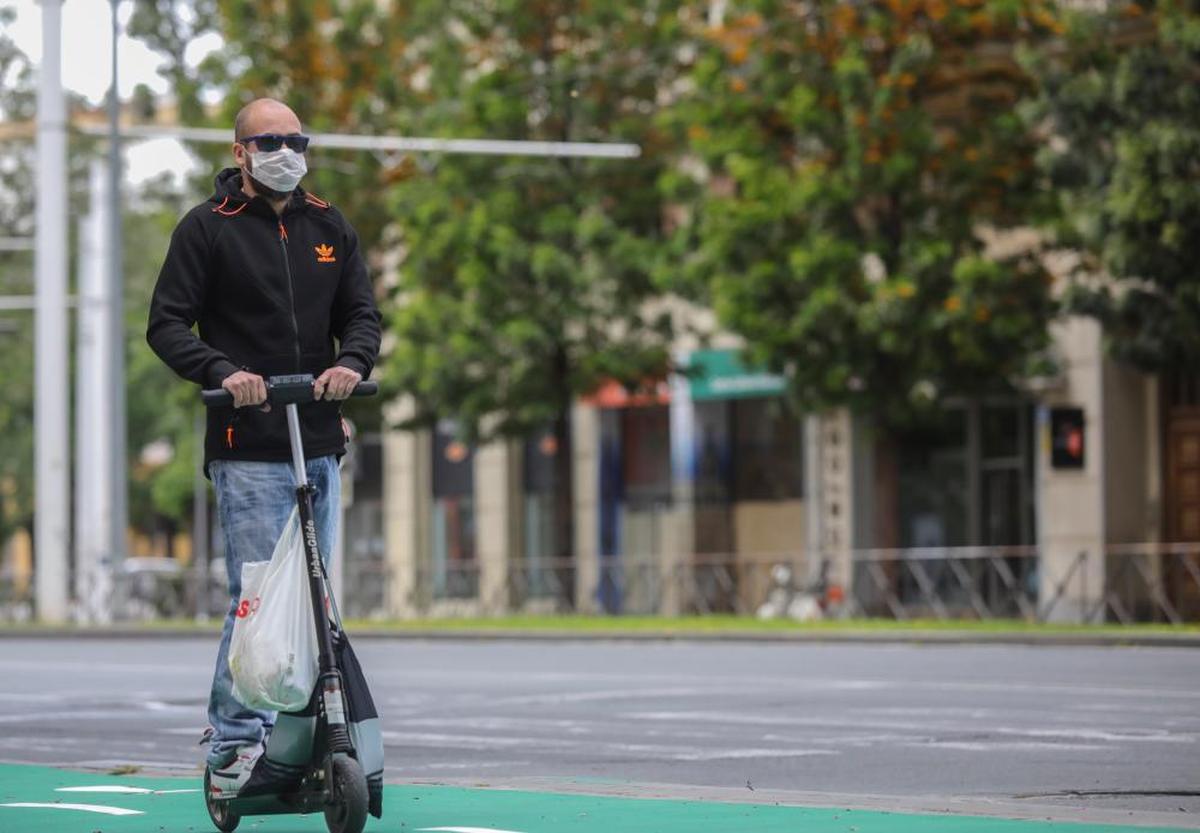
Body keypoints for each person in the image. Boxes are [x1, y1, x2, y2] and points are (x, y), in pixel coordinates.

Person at [146, 98, 381, 775]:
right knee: (257, 596)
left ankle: (308, 730)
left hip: (316, 435)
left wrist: (350, 363)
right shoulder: (206, 229)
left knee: (313, 595)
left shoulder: (328, 224)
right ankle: (233, 738)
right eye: (270, 140)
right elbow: (166, 324)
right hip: (246, 441)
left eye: (296, 139)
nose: (286, 150)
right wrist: (223, 371)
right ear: (241, 150)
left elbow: (361, 312)